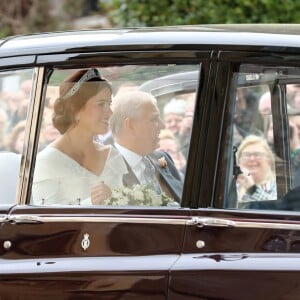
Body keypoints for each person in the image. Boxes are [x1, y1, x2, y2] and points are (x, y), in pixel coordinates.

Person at [32, 68, 127, 205]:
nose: (109, 113)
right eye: (101, 104)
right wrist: (90, 202)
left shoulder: (111, 156)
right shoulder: (48, 161)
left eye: (109, 104)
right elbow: (45, 218)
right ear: (75, 109)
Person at [110, 90, 183, 203]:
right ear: (130, 125)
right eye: (154, 119)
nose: (163, 125)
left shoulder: (162, 158)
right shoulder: (104, 169)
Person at [236, 134, 277, 206]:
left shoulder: (278, 187)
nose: (252, 159)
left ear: (269, 160)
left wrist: (252, 189)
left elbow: (275, 210)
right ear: (239, 161)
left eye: (258, 154)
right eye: (246, 155)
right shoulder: (231, 188)